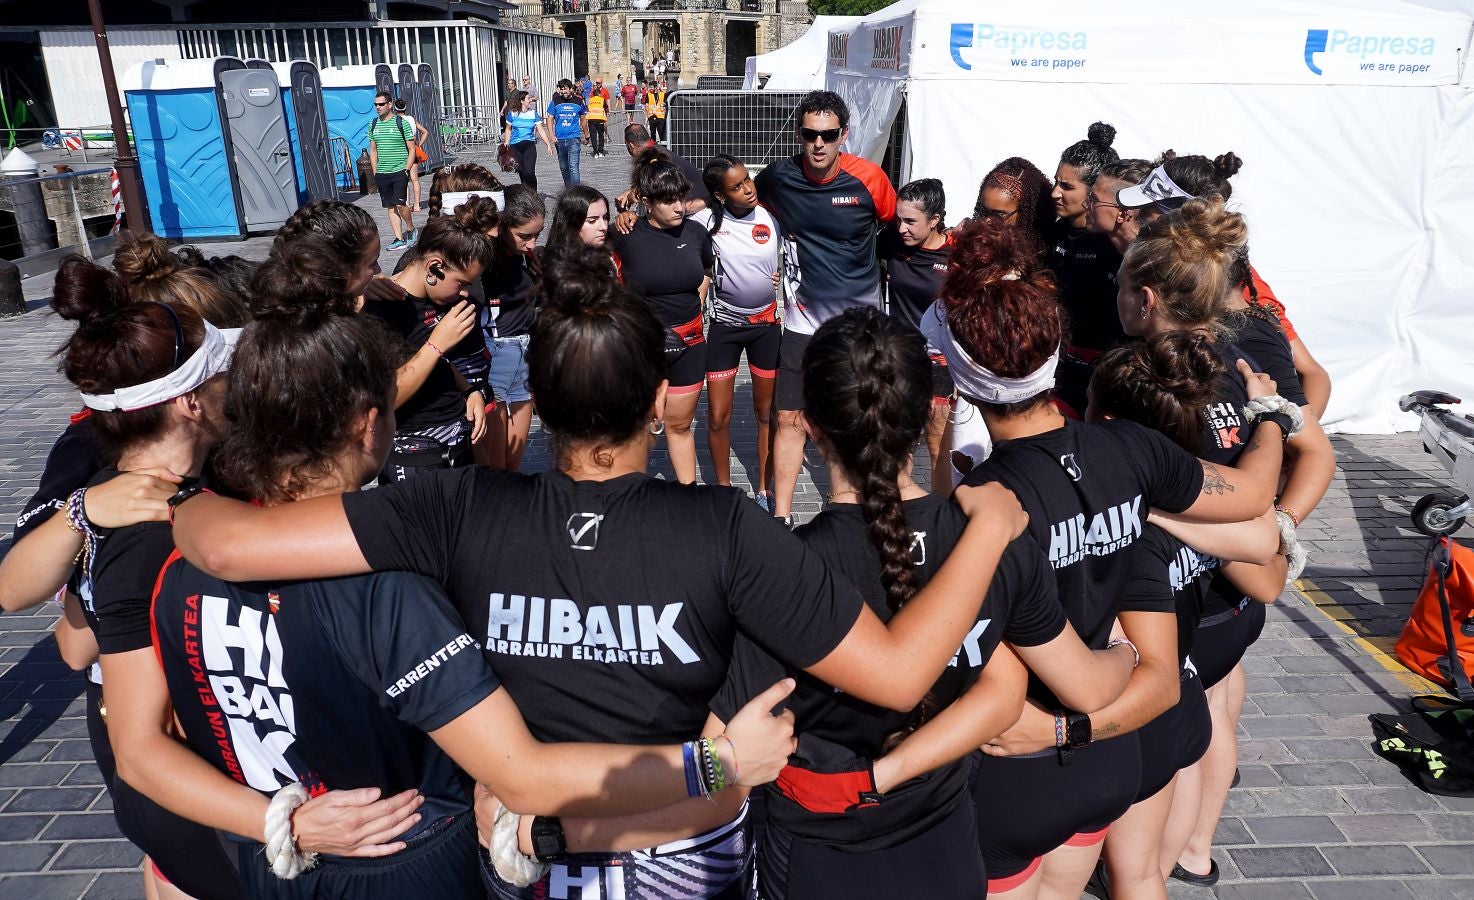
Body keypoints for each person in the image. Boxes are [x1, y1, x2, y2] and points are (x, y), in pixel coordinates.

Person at [172, 247, 1032, 900]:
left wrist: (177, 498)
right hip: (680, 847)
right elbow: (898, 672)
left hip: (528, 847)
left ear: (539, 407)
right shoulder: (726, 527)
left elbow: (229, 548)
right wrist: (988, 529)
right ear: (661, 400)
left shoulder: (460, 506)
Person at [137, 241, 799, 897]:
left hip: (270, 866)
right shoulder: (388, 595)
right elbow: (524, 776)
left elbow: (151, 743)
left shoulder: (182, 567)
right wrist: (723, 762)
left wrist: (277, 822)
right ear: (369, 425)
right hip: (409, 862)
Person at [715, 307, 1141, 900]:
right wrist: (1125, 653)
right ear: (929, 418)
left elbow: (712, 753)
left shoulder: (786, 570)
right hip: (945, 849)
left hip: (821, 851)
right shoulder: (990, 539)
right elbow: (1062, 689)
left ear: (811, 426)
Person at [919, 220, 1288, 900]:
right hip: (1122, 745)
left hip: (1029, 760)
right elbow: (1254, 499)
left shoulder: (984, 505)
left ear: (967, 386)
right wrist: (1270, 416)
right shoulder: (1131, 454)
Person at [47, 256, 404, 900]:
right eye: (221, 373)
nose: (233, 383)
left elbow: (71, 638)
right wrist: (289, 822)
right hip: (215, 814)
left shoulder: (188, 485)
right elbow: (139, 749)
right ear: (190, 402)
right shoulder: (143, 528)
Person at [1087, 334, 1293, 900]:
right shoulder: (1202, 498)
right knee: (1146, 874)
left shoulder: (1098, 498)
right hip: (1180, 704)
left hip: (1128, 710)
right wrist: (1270, 416)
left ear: (1101, 416)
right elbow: (1265, 553)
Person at [755, 89, 896, 527]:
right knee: (788, 417)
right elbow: (729, 194)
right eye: (811, 135)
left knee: (855, 418)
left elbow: (899, 229)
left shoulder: (870, 179)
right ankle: (781, 517)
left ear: (844, 135)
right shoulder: (778, 178)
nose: (819, 144)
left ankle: (849, 506)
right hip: (801, 323)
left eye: (829, 135)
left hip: (857, 327)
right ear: (799, 134)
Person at [360, 203, 497, 481]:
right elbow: (383, 398)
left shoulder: (442, 299)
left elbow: (440, 364)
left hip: (457, 448)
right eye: (461, 283)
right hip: (413, 461)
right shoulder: (384, 308)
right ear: (435, 267)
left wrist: (469, 390)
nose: (464, 293)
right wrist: (436, 344)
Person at [608, 151, 712, 484]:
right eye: (669, 201)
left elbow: (706, 269)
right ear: (648, 202)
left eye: (682, 198)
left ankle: (688, 500)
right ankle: (629, 497)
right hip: (642, 349)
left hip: (690, 344)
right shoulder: (626, 235)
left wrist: (703, 292)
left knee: (680, 427)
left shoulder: (696, 233)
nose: (680, 207)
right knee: (639, 428)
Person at [689, 155, 781, 500]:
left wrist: (780, 276)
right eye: (737, 186)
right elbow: (664, 217)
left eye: (748, 180)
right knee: (716, 417)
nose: (748, 189)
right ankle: (725, 492)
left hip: (766, 328)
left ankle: (764, 489)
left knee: (765, 414)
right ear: (721, 194)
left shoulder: (773, 215)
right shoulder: (706, 219)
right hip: (725, 329)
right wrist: (628, 212)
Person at [878, 178, 955, 494]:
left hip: (940, 365)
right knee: (896, 445)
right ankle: (897, 512)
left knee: (938, 448)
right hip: (900, 360)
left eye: (911, 221)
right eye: (899, 219)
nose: (902, 227)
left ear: (935, 220)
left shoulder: (957, 254)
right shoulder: (891, 242)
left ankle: (940, 516)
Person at [1047, 123, 1125, 418]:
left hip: (1100, 379)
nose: (1055, 193)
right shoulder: (1052, 233)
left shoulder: (1112, 244)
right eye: (1056, 182)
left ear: (1095, 190)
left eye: (1067, 187)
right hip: (1057, 370)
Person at [480, 186, 546, 471]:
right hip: (493, 354)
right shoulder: (483, 260)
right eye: (524, 236)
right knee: (495, 464)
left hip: (525, 354)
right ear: (501, 226)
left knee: (512, 463)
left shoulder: (528, 257)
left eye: (536, 235)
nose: (531, 243)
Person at [970, 156, 1055, 258]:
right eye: (983, 211)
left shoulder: (1048, 257)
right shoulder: (971, 247)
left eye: (998, 215)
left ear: (1026, 214)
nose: (987, 221)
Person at [617, 124, 711, 212]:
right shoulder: (657, 151)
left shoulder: (655, 159)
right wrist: (631, 191)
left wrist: (634, 195)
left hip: (696, 205)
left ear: (631, 145)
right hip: (694, 199)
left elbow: (657, 189)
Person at [368, 91, 417, 250]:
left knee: (401, 205)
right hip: (382, 172)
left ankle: (410, 229)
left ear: (390, 105)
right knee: (390, 206)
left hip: (399, 170)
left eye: (381, 104)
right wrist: (375, 171)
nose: (378, 107)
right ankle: (399, 238)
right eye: (375, 104)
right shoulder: (373, 124)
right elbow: (373, 150)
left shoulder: (401, 123)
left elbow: (412, 149)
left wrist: (406, 169)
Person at [542, 184, 612, 270]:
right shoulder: (558, 268)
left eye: (605, 218)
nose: (603, 227)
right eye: (592, 221)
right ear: (572, 224)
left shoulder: (612, 252)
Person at [503, 89, 552, 193]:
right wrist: (506, 142)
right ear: (522, 101)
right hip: (515, 146)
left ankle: (533, 194)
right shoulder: (512, 114)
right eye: (528, 98)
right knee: (522, 173)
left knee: (529, 173)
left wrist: (548, 144)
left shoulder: (534, 114)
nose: (531, 100)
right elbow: (508, 129)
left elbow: (541, 130)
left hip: (529, 145)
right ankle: (526, 195)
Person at [544, 78, 588, 188]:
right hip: (559, 140)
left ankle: (576, 191)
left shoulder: (578, 101)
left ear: (571, 89)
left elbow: (583, 119)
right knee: (563, 167)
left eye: (565, 89)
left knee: (573, 166)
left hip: (574, 138)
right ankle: (569, 189)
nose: (563, 92)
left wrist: (586, 135)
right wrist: (551, 135)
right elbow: (549, 119)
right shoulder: (555, 101)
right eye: (561, 89)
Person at [393, 97, 433, 213]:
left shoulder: (395, 121)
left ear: (395, 109)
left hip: (401, 151)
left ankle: (406, 204)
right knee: (415, 179)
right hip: (413, 150)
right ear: (405, 108)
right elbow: (425, 132)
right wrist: (419, 144)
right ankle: (417, 205)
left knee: (403, 180)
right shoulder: (411, 119)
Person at [585, 77, 611, 157]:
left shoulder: (591, 100)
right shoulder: (601, 100)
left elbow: (588, 107)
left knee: (593, 136)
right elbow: (606, 106)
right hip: (599, 119)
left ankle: (595, 152)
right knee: (600, 135)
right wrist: (607, 110)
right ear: (599, 94)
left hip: (591, 119)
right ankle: (600, 151)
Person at [644, 80, 668, 144]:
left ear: (655, 87)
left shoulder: (662, 94)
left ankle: (664, 147)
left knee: (661, 134)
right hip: (652, 117)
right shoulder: (648, 94)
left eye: (651, 87)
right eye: (650, 87)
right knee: (652, 134)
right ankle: (653, 147)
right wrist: (648, 114)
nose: (650, 88)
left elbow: (667, 99)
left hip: (660, 117)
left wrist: (660, 89)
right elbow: (646, 105)